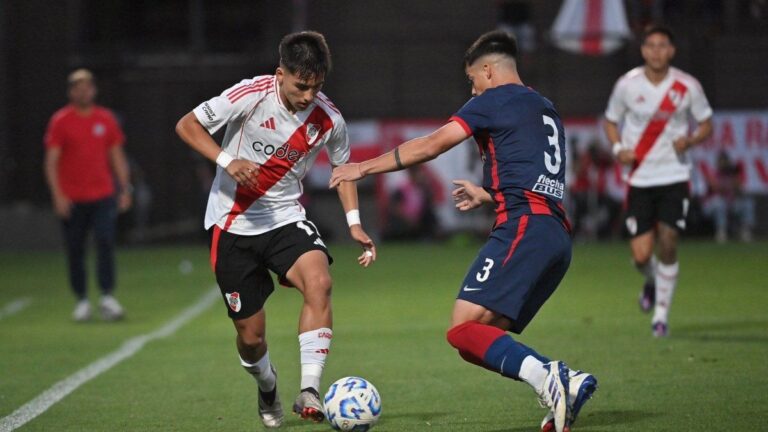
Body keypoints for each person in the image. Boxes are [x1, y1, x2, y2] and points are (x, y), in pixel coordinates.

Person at [330, 30, 596, 432]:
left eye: (472, 80)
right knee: (475, 338)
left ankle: (553, 377)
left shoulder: (492, 100)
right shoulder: (544, 107)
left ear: (488, 71)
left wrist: (362, 167)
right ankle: (560, 387)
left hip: (523, 228)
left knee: (463, 327)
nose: (471, 91)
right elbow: (538, 179)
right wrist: (490, 194)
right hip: (554, 235)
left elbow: (433, 144)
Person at [175, 31, 376, 428]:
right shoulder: (249, 95)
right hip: (233, 223)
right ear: (280, 73)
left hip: (285, 218)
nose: (307, 96)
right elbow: (186, 125)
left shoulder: (329, 118)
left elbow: (344, 169)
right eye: (301, 86)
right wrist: (227, 159)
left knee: (319, 281)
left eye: (316, 87)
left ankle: (310, 390)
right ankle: (267, 384)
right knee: (251, 339)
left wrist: (354, 223)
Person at [603, 25, 713, 337]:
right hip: (639, 178)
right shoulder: (627, 84)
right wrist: (617, 148)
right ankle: (652, 281)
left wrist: (690, 141)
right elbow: (611, 121)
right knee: (640, 255)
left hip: (674, 175)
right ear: (643, 50)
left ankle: (661, 316)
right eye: (650, 45)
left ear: (672, 50)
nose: (656, 51)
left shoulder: (687, 85)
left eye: (662, 45)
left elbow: (706, 124)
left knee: (668, 240)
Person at [44, 69, 131, 322]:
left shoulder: (105, 119)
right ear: (71, 91)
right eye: (78, 87)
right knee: (75, 248)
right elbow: (51, 161)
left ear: (94, 90)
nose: (83, 91)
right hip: (73, 197)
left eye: (87, 86)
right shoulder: (61, 120)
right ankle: (81, 298)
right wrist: (58, 195)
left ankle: (106, 296)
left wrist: (124, 188)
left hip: (103, 194)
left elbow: (117, 155)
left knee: (105, 242)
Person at [702, 151, 755, 243]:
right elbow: (717, 189)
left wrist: (735, 179)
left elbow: (740, 191)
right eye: (722, 161)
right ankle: (721, 231)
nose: (724, 164)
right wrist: (729, 186)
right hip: (711, 206)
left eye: (726, 161)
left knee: (747, 203)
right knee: (719, 203)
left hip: (729, 204)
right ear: (718, 163)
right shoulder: (713, 173)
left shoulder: (733, 174)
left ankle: (745, 231)